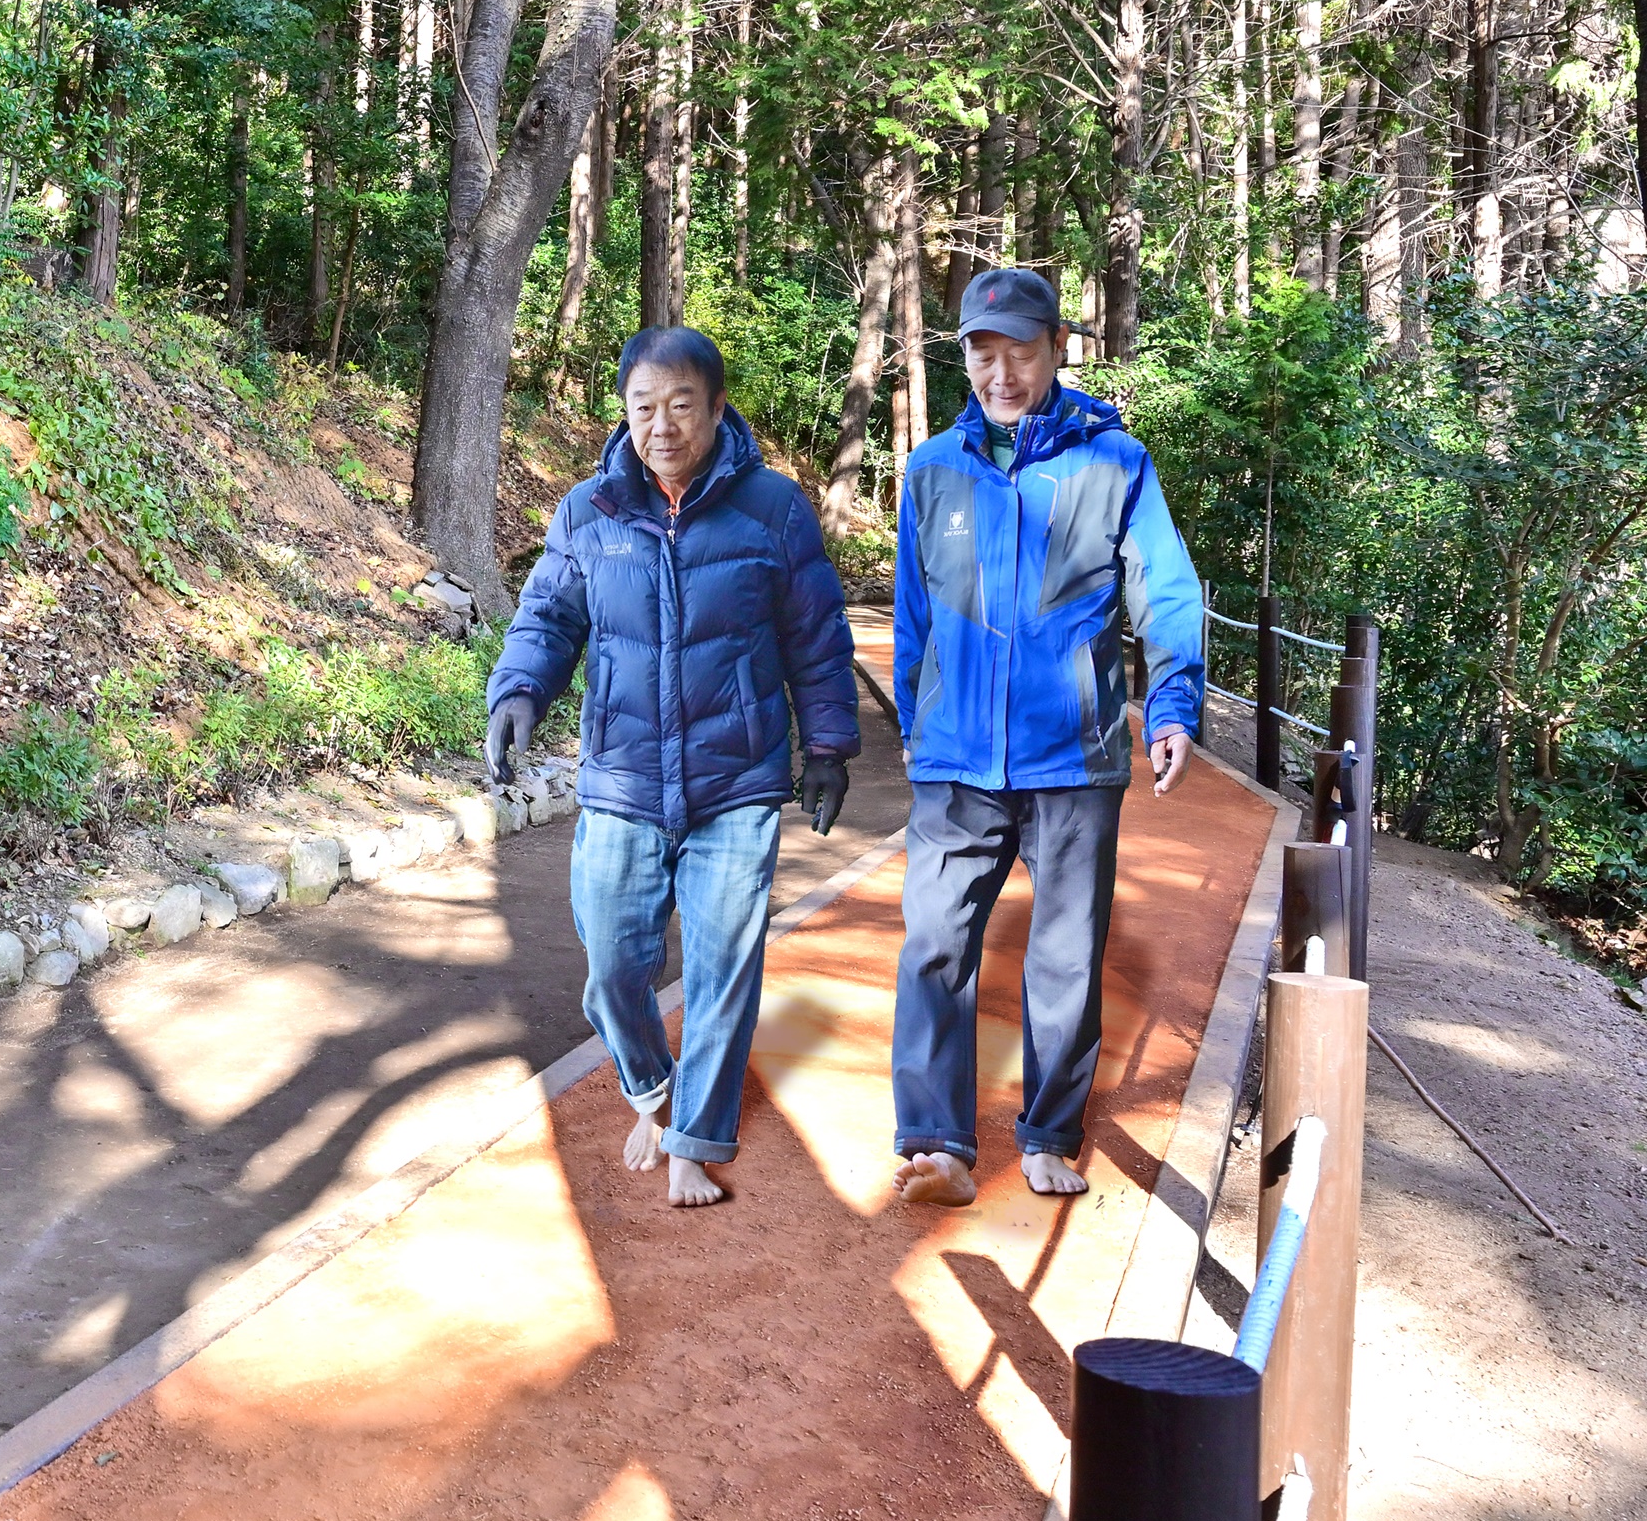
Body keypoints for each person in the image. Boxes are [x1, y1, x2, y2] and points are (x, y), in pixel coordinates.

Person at [485, 326, 860, 1206]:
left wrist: (831, 746)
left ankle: (695, 1137)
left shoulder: (774, 509)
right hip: (623, 773)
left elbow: (816, 636)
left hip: (739, 777)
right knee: (613, 960)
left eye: (681, 404)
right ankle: (652, 1088)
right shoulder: (590, 510)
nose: (662, 424)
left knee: (726, 961)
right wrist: (518, 692)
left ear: (717, 407)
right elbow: (548, 619)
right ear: (623, 411)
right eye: (644, 405)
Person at [886, 267, 1206, 1208]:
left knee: (1066, 951)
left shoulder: (1117, 462)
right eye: (982, 353)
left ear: (1056, 346)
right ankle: (937, 1143)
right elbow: (915, 613)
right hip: (956, 759)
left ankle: (1049, 1133)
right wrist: (915, 720)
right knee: (935, 943)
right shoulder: (934, 467)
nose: (1000, 371)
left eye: (1018, 349)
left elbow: (1167, 588)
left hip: (1074, 753)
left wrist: (1175, 704)